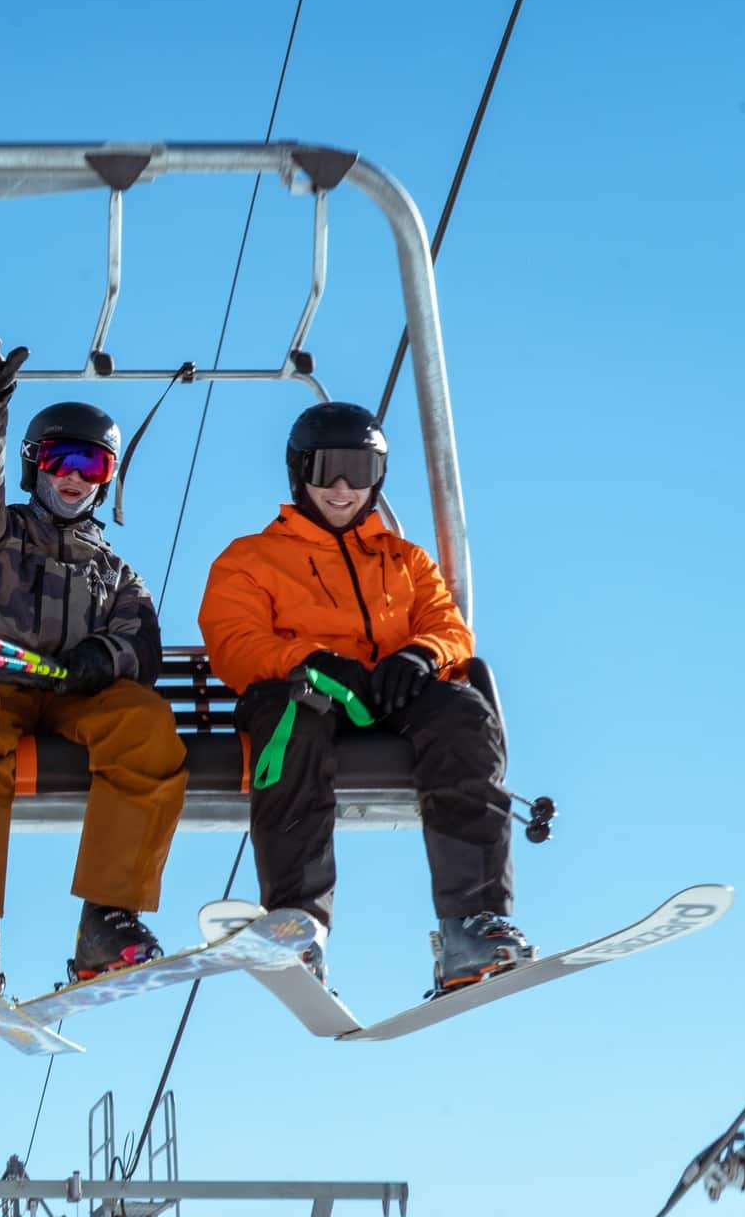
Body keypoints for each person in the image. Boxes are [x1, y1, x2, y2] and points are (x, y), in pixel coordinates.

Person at [197, 401, 533, 992]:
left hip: (388, 695)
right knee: (291, 723)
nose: (344, 487)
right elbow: (234, 642)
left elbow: (450, 627)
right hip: (301, 692)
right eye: (328, 469)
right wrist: (308, 660)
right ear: (300, 473)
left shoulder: (405, 561)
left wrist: (420, 655)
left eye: (359, 468)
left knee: (460, 714)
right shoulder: (251, 558)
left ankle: (473, 924)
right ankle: (298, 923)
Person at [0, 338, 190, 992]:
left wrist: (104, 656)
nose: (74, 475)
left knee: (145, 725)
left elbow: (141, 641)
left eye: (92, 464)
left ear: (106, 478)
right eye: (62, 459)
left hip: (76, 694)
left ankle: (109, 918)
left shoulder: (114, 571)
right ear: (36, 464)